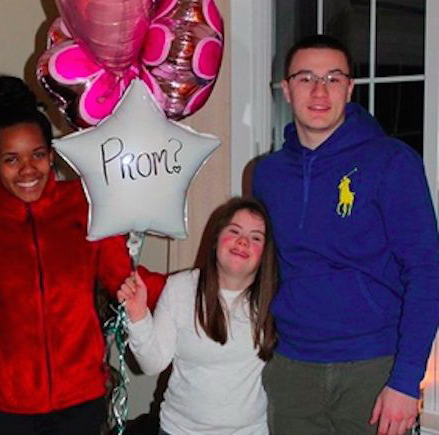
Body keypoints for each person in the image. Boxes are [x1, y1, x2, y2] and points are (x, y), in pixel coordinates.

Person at [252, 34, 439, 435]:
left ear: (350, 88)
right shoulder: (267, 175)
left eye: (333, 78)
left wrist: (406, 381)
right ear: (286, 88)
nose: (320, 91)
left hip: (374, 369)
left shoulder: (391, 161)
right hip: (293, 369)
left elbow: (426, 271)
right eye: (306, 78)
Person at [0, 75, 166, 435]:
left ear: (51, 154)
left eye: (38, 154)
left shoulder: (84, 204)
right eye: (11, 159)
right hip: (5, 405)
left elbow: (124, 278)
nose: (28, 169)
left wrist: (198, 289)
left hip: (80, 399)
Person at [118, 197, 278, 435]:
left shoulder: (275, 301)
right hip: (180, 430)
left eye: (256, 238)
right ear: (216, 240)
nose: (243, 241)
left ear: (265, 253)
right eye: (234, 231)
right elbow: (152, 364)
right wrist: (139, 316)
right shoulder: (180, 288)